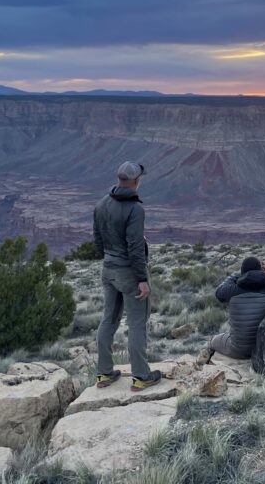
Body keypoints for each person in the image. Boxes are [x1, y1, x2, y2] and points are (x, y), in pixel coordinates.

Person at [93, 161, 161, 391]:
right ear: (136, 181)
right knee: (137, 323)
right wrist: (142, 279)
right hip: (129, 274)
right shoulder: (135, 209)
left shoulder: (102, 203)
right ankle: (141, 376)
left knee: (108, 319)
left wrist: (113, 252)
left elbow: (98, 240)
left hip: (108, 269)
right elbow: (133, 247)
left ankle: (104, 374)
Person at [208, 256, 265, 359]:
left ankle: (205, 361)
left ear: (243, 271)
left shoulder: (233, 290)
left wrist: (238, 273)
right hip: (264, 349)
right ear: (261, 270)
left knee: (213, 340)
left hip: (238, 350)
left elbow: (219, 292)